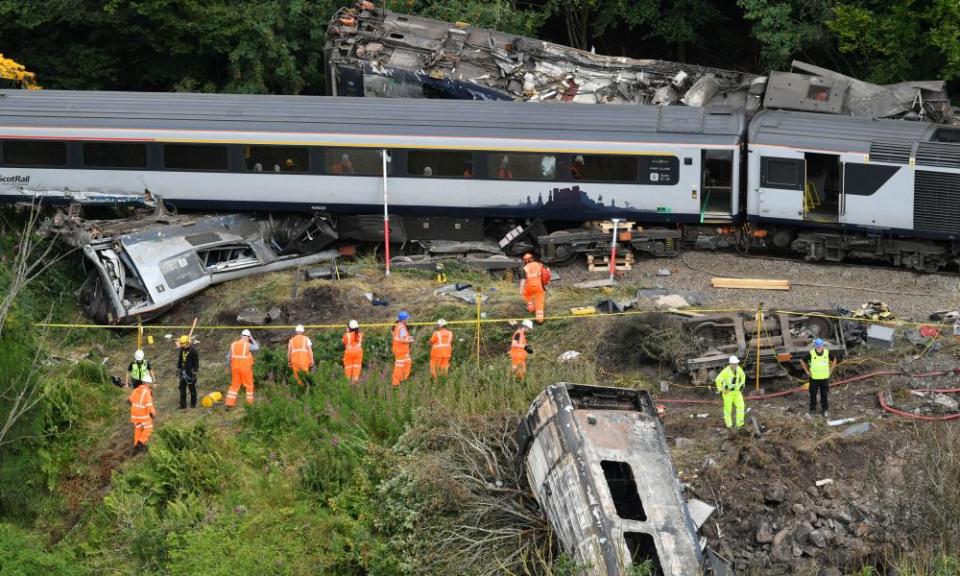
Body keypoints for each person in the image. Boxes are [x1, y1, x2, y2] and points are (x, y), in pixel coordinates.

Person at [800, 338, 836, 417]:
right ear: (815, 346)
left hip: (824, 378)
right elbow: (802, 361)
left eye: (820, 346)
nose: (819, 347)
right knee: (813, 394)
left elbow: (834, 359)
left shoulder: (827, 352)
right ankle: (812, 409)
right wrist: (807, 371)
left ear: (823, 345)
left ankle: (825, 410)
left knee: (824, 394)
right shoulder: (811, 353)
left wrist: (831, 369)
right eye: (818, 346)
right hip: (814, 379)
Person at [225, 329, 259, 408]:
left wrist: (227, 366)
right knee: (249, 385)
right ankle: (250, 403)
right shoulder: (247, 345)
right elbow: (257, 347)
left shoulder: (233, 344)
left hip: (235, 368)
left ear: (241, 336)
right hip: (245, 368)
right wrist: (252, 339)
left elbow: (228, 357)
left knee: (234, 385)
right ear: (248, 337)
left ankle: (229, 403)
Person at [715, 355, 746, 429]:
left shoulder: (739, 369)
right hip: (728, 394)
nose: (735, 365)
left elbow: (743, 377)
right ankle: (729, 425)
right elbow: (717, 380)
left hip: (737, 393)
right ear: (730, 364)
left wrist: (741, 387)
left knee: (741, 407)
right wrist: (722, 390)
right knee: (728, 409)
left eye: (736, 364)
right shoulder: (726, 371)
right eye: (733, 364)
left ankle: (740, 424)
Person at [128, 376, 155, 453]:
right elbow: (149, 405)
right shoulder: (147, 392)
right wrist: (153, 413)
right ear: (147, 383)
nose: (150, 385)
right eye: (150, 383)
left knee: (138, 427)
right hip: (142, 413)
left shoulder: (136, 389)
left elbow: (129, 401)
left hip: (134, 413)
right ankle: (141, 442)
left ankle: (136, 445)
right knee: (149, 427)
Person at [520, 252, 546, 324]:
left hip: (529, 286)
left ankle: (531, 309)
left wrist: (521, 290)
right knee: (539, 301)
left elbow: (523, 280)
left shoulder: (525, 268)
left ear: (525, 261)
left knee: (527, 295)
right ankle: (540, 320)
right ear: (532, 259)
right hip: (538, 286)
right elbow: (544, 274)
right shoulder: (539, 264)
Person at [392, 311, 414, 387]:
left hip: (403, 351)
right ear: (403, 320)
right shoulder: (401, 327)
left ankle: (403, 380)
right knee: (399, 367)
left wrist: (408, 338)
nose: (407, 320)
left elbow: (402, 337)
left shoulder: (400, 326)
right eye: (407, 319)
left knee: (408, 363)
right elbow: (402, 340)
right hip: (400, 351)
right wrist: (409, 340)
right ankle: (396, 384)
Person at [176, 335, 199, 409]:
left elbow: (196, 363)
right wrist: (178, 368)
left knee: (192, 389)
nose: (181, 345)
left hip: (190, 373)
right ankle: (183, 405)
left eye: (183, 344)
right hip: (182, 373)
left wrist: (195, 372)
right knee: (182, 389)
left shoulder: (193, 351)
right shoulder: (182, 350)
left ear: (187, 343)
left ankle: (193, 404)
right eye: (181, 344)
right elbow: (180, 359)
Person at [342, 320, 363, 384]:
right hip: (358, 353)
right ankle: (354, 386)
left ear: (350, 328)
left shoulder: (346, 335)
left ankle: (348, 387)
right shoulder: (360, 335)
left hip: (349, 354)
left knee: (348, 369)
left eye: (347, 327)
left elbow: (343, 342)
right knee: (356, 369)